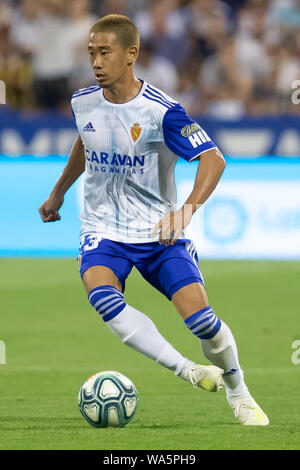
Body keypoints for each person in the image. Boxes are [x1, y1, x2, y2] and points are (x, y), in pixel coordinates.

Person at [39, 14, 269, 426]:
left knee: (203, 323)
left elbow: (213, 159)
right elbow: (86, 143)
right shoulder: (82, 102)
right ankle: (188, 370)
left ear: (132, 54)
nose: (95, 61)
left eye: (104, 52)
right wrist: (59, 191)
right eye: (91, 52)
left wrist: (187, 209)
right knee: (103, 296)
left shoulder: (162, 112)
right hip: (103, 229)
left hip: (159, 232)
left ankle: (239, 390)